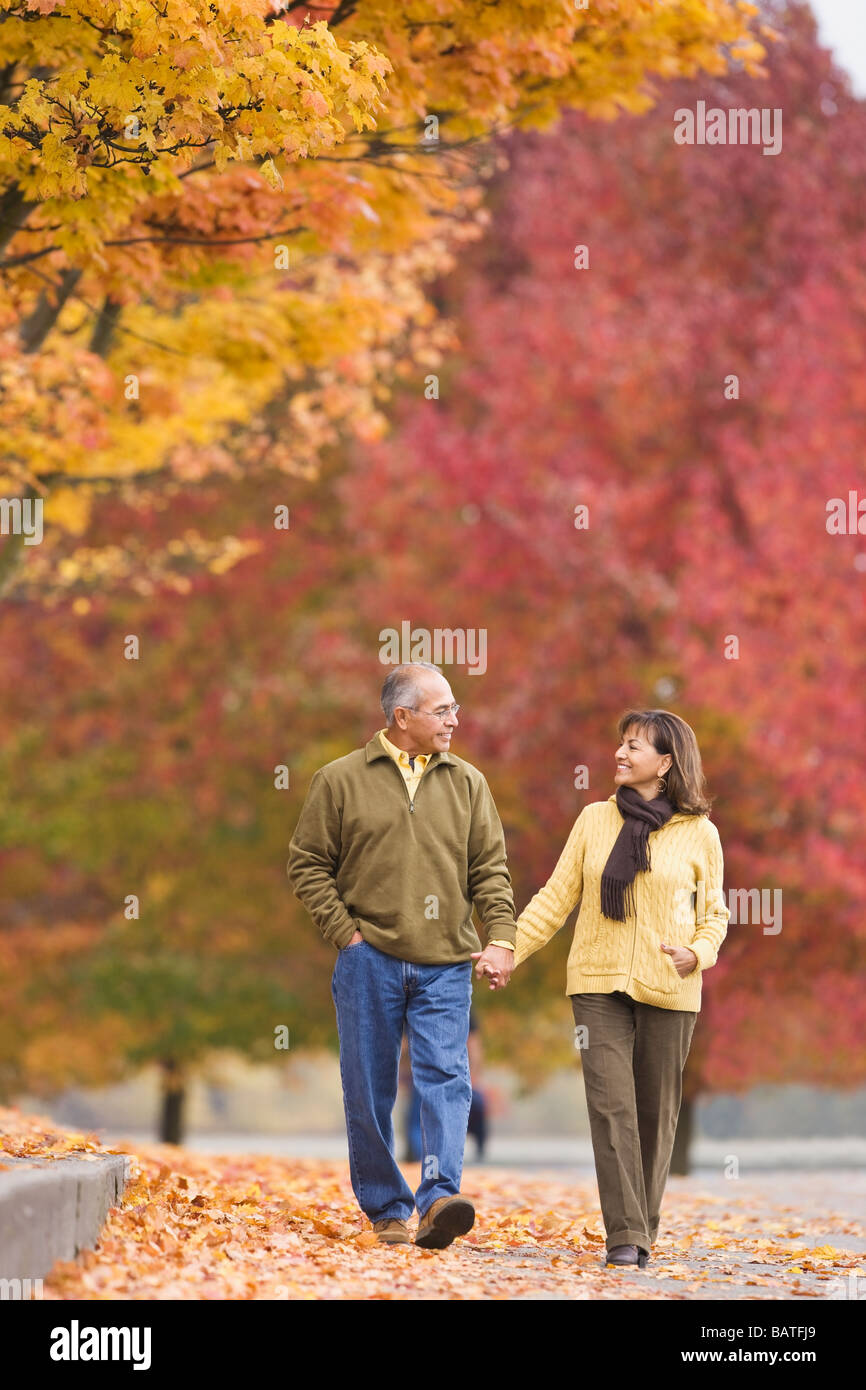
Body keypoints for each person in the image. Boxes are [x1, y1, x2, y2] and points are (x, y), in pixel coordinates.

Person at [473, 708, 730, 1268]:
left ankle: (641, 1230)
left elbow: (715, 915)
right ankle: (625, 1240)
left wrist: (697, 953)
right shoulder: (593, 820)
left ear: (665, 763)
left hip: (671, 985)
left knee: (656, 1117)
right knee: (611, 1107)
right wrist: (507, 947)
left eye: (635, 746)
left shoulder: (700, 834)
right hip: (597, 983)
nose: (621, 753)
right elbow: (555, 897)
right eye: (621, 742)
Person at [287, 661, 516, 1247]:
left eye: (455, 708)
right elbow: (308, 865)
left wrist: (501, 938)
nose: (454, 720)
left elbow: (490, 871)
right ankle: (387, 1208)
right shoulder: (338, 780)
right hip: (370, 960)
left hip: (447, 963)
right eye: (443, 710)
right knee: (368, 1087)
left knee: (447, 1078)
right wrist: (347, 936)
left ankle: (439, 1199)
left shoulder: (469, 783)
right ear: (402, 716)